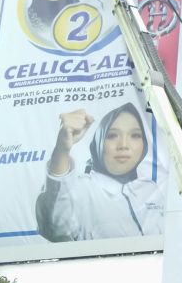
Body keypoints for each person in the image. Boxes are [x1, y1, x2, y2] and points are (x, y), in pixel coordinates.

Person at [35, 103, 165, 241]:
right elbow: (55, 226)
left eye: (135, 135)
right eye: (112, 135)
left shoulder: (150, 189)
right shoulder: (81, 189)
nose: (124, 145)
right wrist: (62, 148)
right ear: (98, 141)